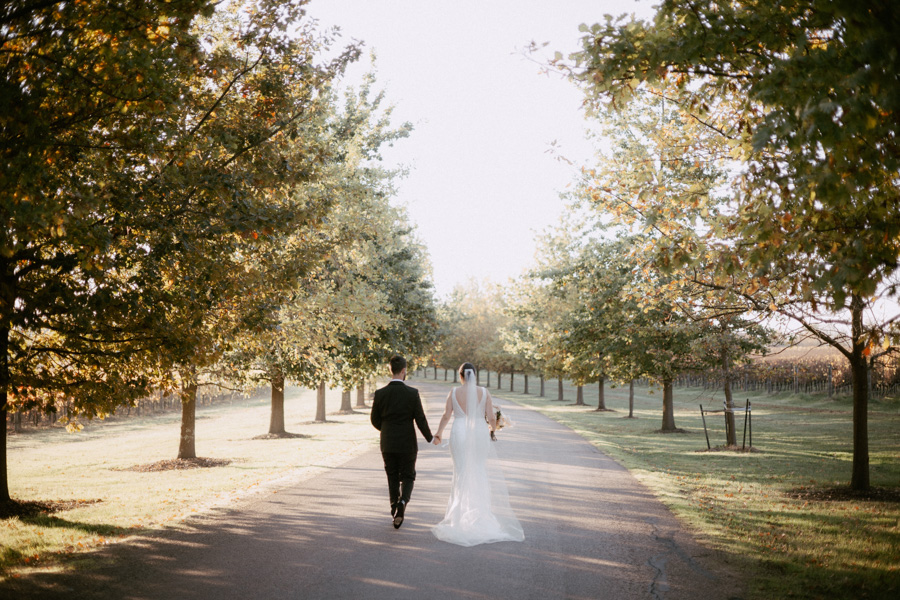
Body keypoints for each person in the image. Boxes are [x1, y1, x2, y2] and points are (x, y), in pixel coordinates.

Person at [431, 362, 525, 546]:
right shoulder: (484, 392)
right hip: (479, 433)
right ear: (474, 375)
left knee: (461, 472)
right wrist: (493, 428)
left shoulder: (453, 391)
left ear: (461, 376)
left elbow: (446, 415)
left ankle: (458, 517)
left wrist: (439, 433)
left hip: (459, 431)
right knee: (478, 470)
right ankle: (480, 515)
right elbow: (491, 418)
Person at [370, 355, 433, 529]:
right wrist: (430, 437)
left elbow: (374, 419)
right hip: (407, 443)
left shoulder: (380, 393)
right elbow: (420, 419)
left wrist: (387, 430)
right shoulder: (412, 393)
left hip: (388, 442)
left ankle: (393, 506)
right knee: (408, 475)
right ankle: (403, 501)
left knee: (392, 475)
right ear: (404, 371)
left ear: (390, 370)